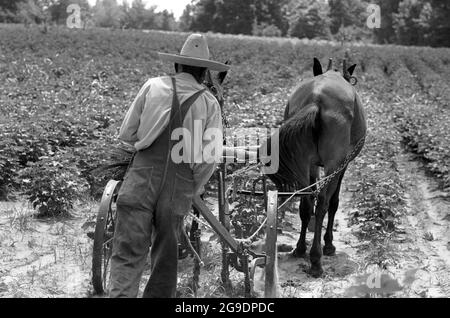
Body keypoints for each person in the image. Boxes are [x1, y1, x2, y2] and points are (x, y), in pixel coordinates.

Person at [109, 34, 230, 298]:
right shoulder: (209, 102)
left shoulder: (152, 86)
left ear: (177, 66)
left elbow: (126, 135)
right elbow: (209, 158)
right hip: (179, 182)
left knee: (128, 252)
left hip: (142, 174)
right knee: (165, 256)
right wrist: (190, 186)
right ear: (204, 73)